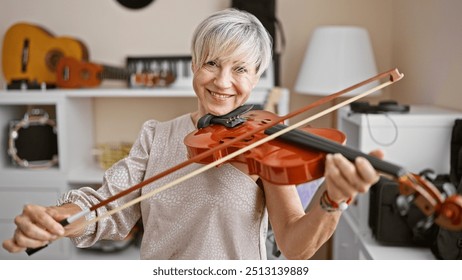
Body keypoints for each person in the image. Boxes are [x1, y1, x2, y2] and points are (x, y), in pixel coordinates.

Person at [2, 8, 382, 260]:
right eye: (212, 63)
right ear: (194, 64)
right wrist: (57, 219)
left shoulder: (267, 145)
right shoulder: (156, 136)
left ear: (257, 77)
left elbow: (295, 245)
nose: (222, 82)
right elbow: (105, 206)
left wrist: (333, 199)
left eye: (240, 70)